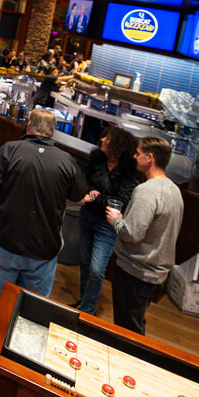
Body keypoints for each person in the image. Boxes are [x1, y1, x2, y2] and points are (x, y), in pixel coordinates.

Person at [0, 108, 88, 369]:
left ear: (28, 127)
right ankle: (21, 366)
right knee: (33, 309)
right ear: (52, 132)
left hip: (7, 242)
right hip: (45, 250)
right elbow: (79, 195)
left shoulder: (9, 150)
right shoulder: (67, 161)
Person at [106, 136, 184, 335]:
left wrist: (115, 219)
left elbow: (131, 233)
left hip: (135, 271)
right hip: (154, 274)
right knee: (135, 321)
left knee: (128, 330)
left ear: (150, 158)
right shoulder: (174, 191)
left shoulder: (146, 191)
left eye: (138, 153)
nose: (134, 156)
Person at [75, 127, 140, 316]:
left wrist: (96, 196)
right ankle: (84, 303)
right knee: (85, 262)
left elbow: (121, 202)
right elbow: (83, 182)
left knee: (96, 269)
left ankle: (87, 311)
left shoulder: (129, 171)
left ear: (117, 146)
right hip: (87, 217)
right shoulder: (96, 159)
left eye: (108, 138)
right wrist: (92, 192)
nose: (102, 139)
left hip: (107, 225)